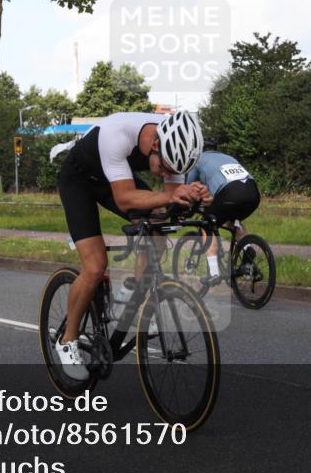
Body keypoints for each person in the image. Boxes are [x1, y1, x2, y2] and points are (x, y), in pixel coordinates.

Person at [55, 111, 208, 380]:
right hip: (79, 182)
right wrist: (170, 196)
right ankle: (67, 341)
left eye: (173, 172)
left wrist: (194, 198)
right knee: (95, 266)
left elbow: (169, 202)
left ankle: (131, 293)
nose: (165, 174)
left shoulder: (174, 149)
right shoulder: (117, 133)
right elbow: (125, 199)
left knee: (157, 225)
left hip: (114, 178)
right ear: (156, 144)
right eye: (164, 167)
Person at [183, 138, 261, 286]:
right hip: (253, 192)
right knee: (233, 220)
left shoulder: (197, 159)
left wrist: (186, 209)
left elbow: (188, 189)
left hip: (230, 193)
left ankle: (214, 273)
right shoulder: (228, 157)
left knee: (206, 225)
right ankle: (248, 248)